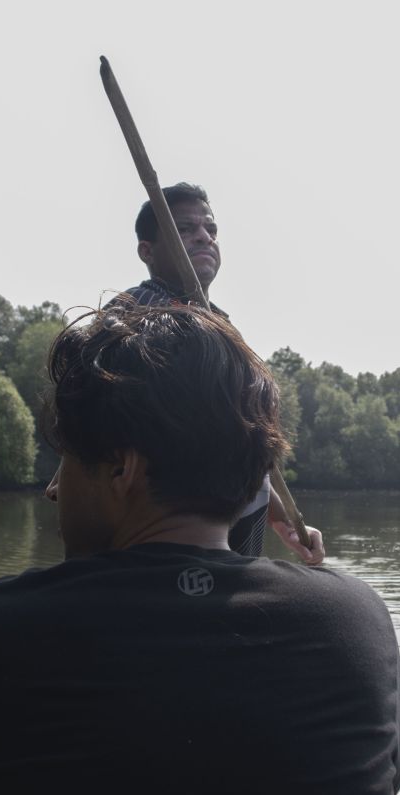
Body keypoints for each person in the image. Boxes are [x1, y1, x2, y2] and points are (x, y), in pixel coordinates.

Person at [0, 305, 400, 795]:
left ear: (122, 467)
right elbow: (379, 793)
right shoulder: (357, 616)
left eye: (64, 460)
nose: (53, 490)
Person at [113, 182, 321, 562]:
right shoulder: (133, 311)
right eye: (185, 229)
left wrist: (283, 521)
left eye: (211, 229)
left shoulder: (223, 327)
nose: (204, 238)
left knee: (235, 607)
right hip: (167, 527)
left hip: (237, 520)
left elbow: (240, 440)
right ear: (148, 251)